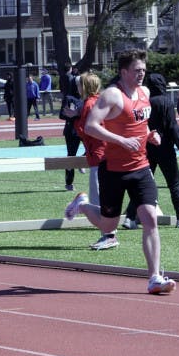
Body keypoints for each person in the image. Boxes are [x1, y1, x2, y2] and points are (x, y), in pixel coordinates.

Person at [78, 49, 177, 295]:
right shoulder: (112, 95)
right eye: (137, 70)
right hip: (113, 170)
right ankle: (82, 205)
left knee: (150, 218)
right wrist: (121, 141)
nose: (142, 74)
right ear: (124, 72)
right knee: (108, 224)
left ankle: (154, 277)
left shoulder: (145, 92)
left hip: (141, 167)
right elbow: (90, 126)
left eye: (144, 69)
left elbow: (140, 125)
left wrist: (150, 135)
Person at [122, 73, 179, 229]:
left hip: (147, 148)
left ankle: (130, 217)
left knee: (142, 185)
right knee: (174, 184)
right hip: (165, 149)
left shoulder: (144, 101)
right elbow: (173, 128)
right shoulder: (166, 102)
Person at [63, 72, 118, 250]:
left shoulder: (88, 104)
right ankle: (107, 235)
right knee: (104, 201)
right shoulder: (100, 101)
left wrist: (75, 118)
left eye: (80, 85)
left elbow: (86, 130)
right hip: (105, 155)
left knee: (100, 202)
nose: (77, 88)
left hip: (99, 157)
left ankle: (83, 204)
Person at [59, 64, 83, 192]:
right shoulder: (69, 98)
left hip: (84, 130)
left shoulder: (85, 98)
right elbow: (63, 115)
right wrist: (74, 115)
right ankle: (69, 182)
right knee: (71, 156)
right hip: (72, 130)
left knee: (94, 149)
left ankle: (81, 162)